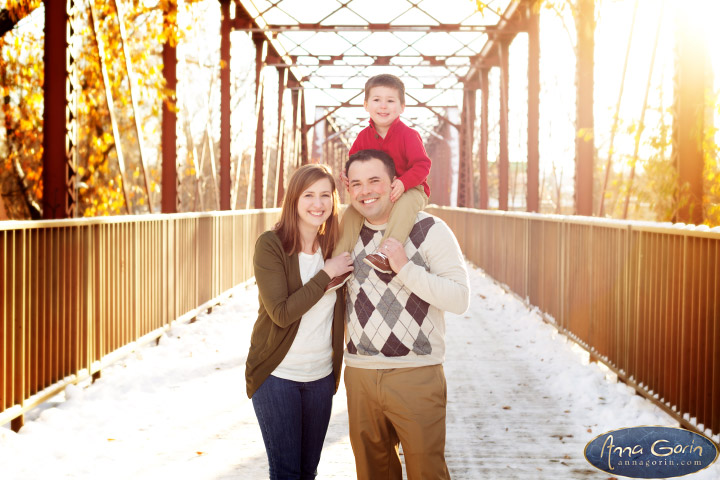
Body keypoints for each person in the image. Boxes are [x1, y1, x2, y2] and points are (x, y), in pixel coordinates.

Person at [342, 149, 470, 480]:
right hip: (360, 374)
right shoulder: (343, 234)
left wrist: (404, 268)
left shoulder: (431, 229)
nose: (365, 191)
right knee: (373, 474)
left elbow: (459, 299)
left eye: (374, 181)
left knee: (427, 473)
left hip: (416, 372)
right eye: (356, 183)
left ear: (395, 185)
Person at [245, 163, 354, 480]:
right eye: (308, 195)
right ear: (293, 199)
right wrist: (326, 274)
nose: (318, 204)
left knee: (308, 472)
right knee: (287, 473)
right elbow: (280, 312)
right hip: (278, 376)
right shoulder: (271, 245)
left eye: (325, 195)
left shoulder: (335, 247)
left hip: (320, 377)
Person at [326, 74, 431, 291]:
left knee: (405, 205)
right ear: (366, 105)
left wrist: (404, 182)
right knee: (351, 214)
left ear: (402, 107)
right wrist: (346, 176)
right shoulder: (363, 137)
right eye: (376, 100)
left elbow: (423, 165)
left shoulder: (409, 135)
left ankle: (386, 253)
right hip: (376, 194)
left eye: (390, 101)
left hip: (410, 190)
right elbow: (352, 165)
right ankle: (338, 266)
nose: (383, 106)